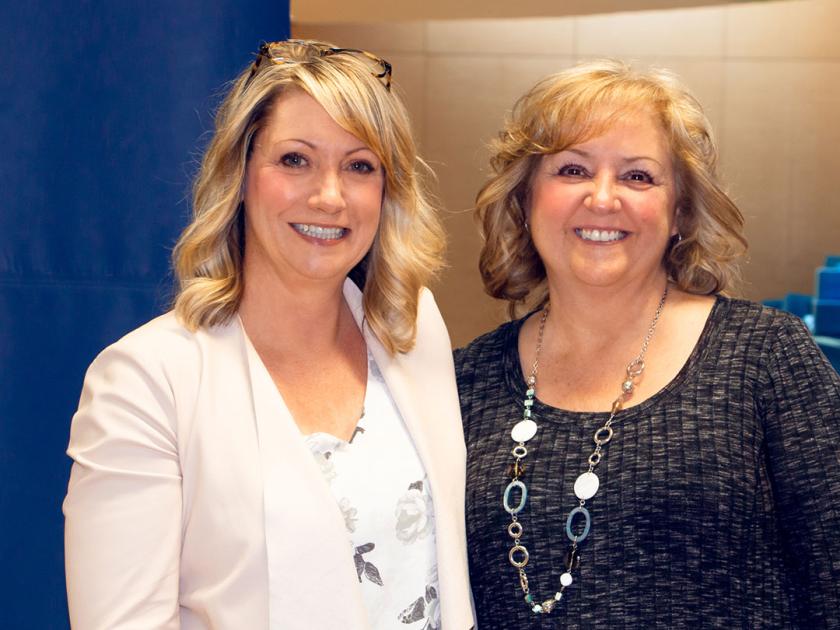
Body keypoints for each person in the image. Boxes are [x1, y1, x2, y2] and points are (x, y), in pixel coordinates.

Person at [64, 39, 474, 630]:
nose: (329, 196)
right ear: (240, 175)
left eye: (359, 166)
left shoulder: (412, 328)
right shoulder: (147, 380)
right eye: (295, 160)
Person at [455, 60, 840, 628]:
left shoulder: (764, 356)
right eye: (572, 170)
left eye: (638, 176)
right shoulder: (466, 380)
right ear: (526, 200)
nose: (602, 198)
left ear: (679, 210)